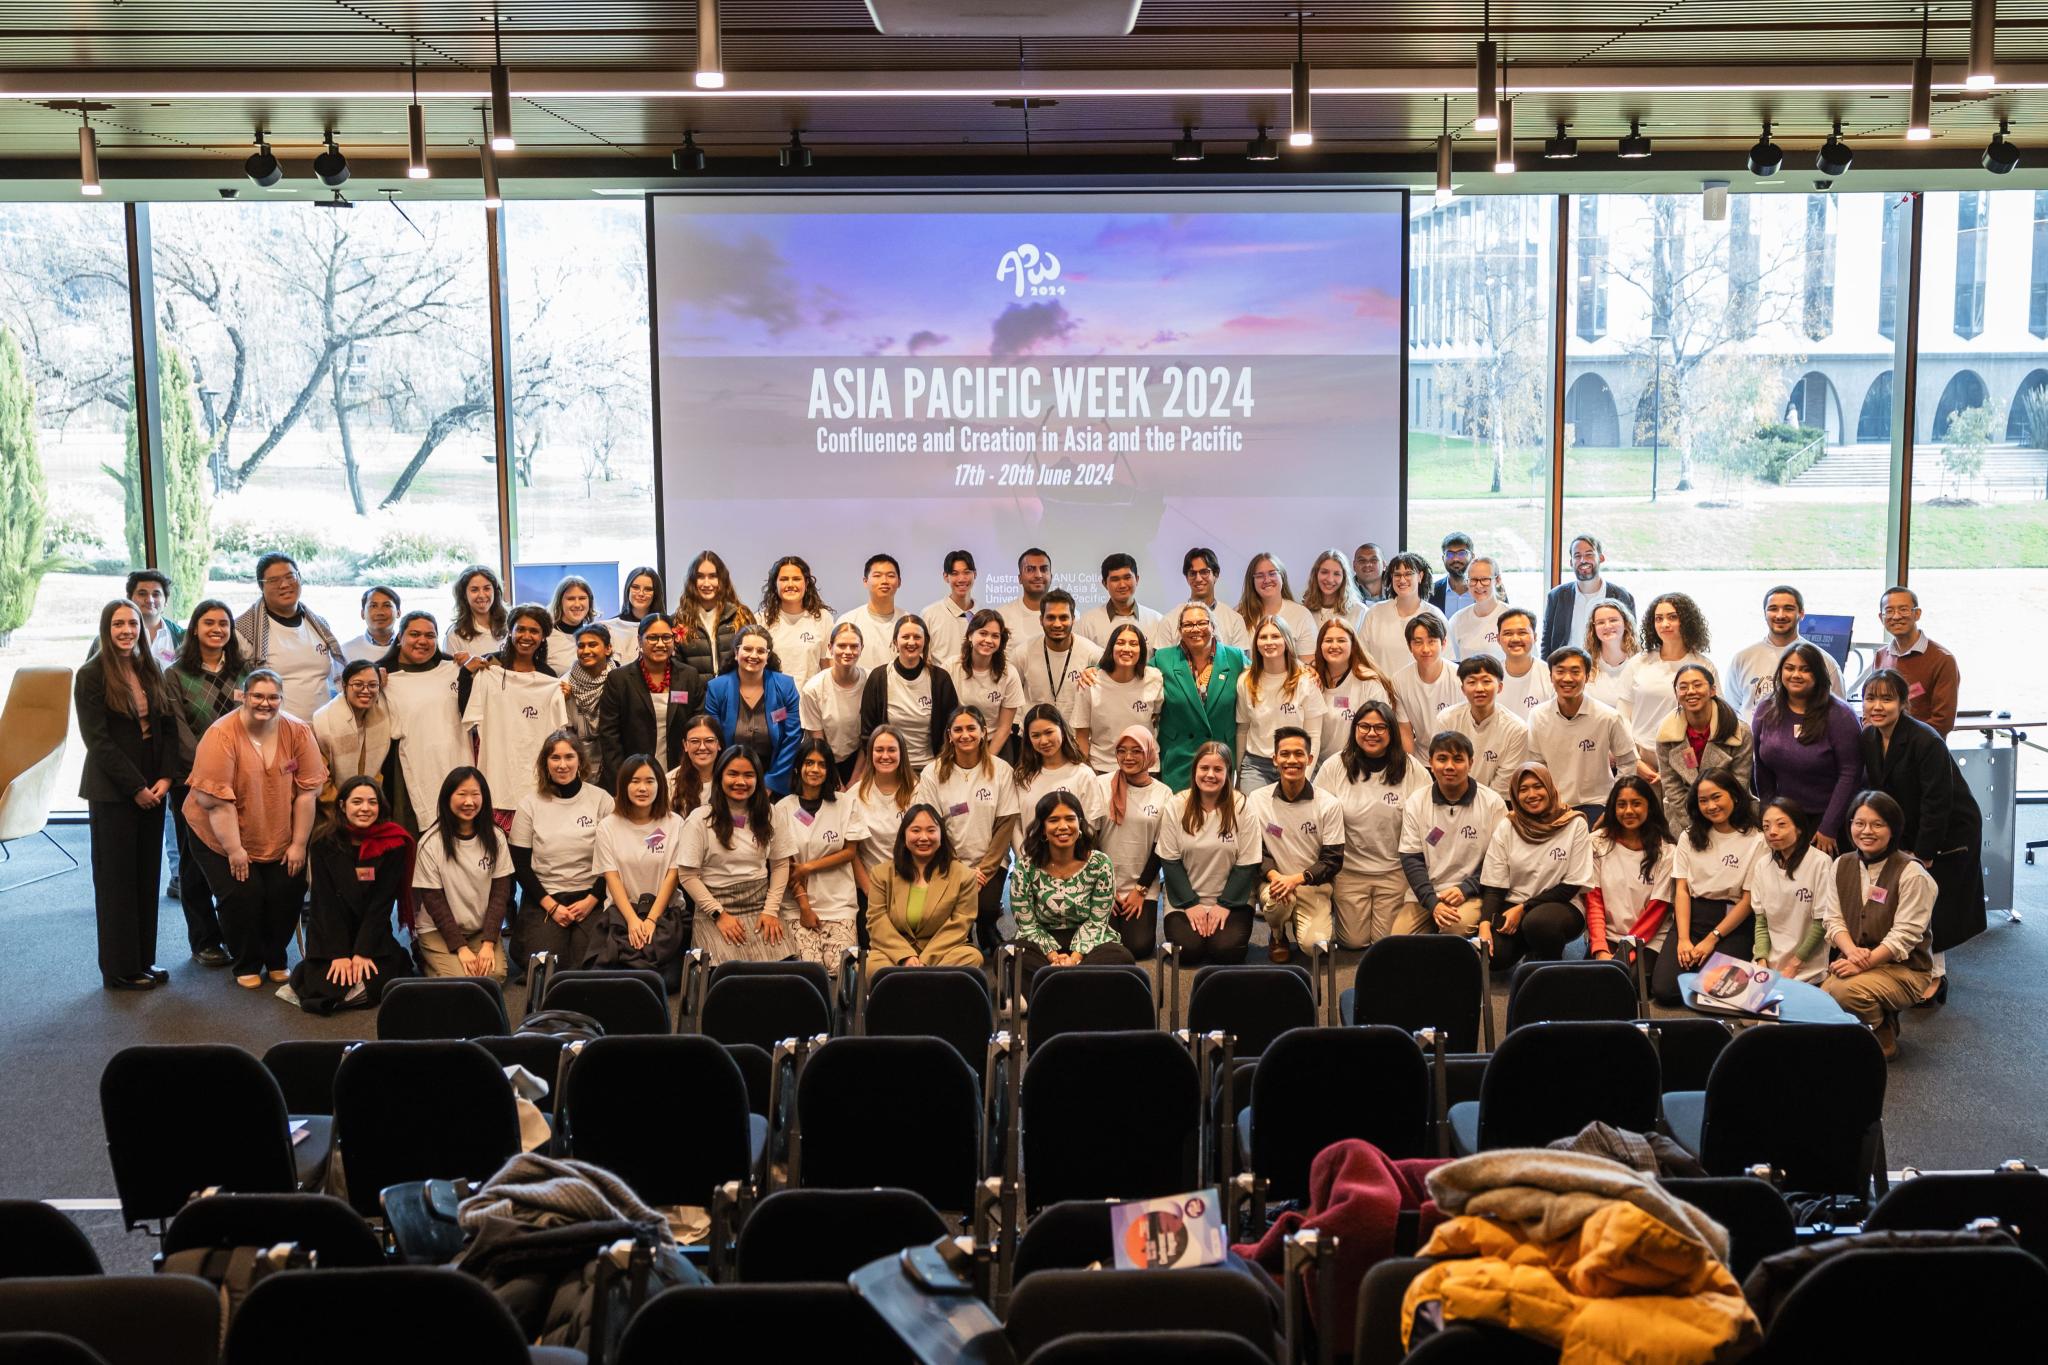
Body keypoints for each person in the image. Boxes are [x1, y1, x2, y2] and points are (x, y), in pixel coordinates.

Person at [186, 669, 327, 989]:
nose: (266, 703)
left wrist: (298, 845)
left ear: (281, 699)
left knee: (288, 888)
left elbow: (307, 794)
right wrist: (234, 851)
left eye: (273, 697)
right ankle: (247, 961)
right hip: (220, 833)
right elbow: (217, 804)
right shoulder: (221, 735)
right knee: (242, 894)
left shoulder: (298, 732)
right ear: (243, 697)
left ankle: (276, 956)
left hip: (277, 830)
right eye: (258, 696)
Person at [1859, 667, 1984, 1005]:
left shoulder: (1925, 739)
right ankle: (1914, 968)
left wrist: (1925, 852)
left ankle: (1935, 977)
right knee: (1908, 899)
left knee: (1932, 903)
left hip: (1948, 830)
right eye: (1871, 698)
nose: (1878, 706)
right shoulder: (1869, 737)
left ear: (1903, 702)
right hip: (1910, 825)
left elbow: (1937, 801)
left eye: (1887, 698)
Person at [77, 599, 185, 990]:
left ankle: (143, 960)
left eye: (132, 623)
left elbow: (169, 728)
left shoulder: (149, 668)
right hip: (113, 791)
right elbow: (98, 741)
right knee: (117, 882)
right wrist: (135, 786)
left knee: (145, 877)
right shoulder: (91, 674)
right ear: (107, 628)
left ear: (141, 627)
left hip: (154, 788)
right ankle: (120, 969)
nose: (126, 630)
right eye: (118, 624)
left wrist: (166, 779)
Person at [163, 598, 247, 967]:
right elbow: (178, 731)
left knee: (241, 855)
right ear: (195, 628)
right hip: (192, 781)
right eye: (209, 622)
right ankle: (205, 940)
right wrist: (209, 772)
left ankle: (239, 933)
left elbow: (258, 720)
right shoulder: (176, 674)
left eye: (224, 624)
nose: (217, 629)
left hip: (244, 780)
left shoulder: (246, 672)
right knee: (195, 861)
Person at [1822, 791, 1937, 1058]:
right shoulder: (1841, 864)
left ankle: (1882, 1031)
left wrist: (1862, 962)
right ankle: (1874, 1019)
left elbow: (1904, 936)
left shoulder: (1912, 873)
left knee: (1842, 991)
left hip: (1906, 969)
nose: (1866, 831)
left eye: (1877, 824)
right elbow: (1832, 919)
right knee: (1826, 992)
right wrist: (1851, 952)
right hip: (1859, 959)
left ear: (1893, 828)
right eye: (1859, 823)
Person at [292, 775, 415, 1013]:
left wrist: (362, 952)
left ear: (380, 807)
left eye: (372, 802)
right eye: (357, 802)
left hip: (372, 934)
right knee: (327, 989)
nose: (365, 808)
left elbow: (381, 905)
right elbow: (324, 904)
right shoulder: (322, 842)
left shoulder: (394, 844)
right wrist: (339, 954)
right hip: (330, 935)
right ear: (342, 805)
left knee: (373, 984)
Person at [1317, 700, 1429, 947]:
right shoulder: (1335, 766)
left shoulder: (1411, 769)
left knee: (1384, 942)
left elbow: (1428, 818)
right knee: (1353, 941)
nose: (1371, 733)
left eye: (1380, 728)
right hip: (1350, 871)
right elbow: (1319, 817)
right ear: (1355, 728)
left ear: (1391, 730)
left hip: (1393, 871)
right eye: (1364, 726)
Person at [913, 706, 1021, 956]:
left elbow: (1005, 825)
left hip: (990, 863)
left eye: (971, 728)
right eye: (958, 729)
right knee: (950, 907)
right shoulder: (933, 772)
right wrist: (959, 869)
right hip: (948, 860)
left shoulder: (1001, 769)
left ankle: (987, 925)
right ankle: (960, 935)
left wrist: (982, 870)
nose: (965, 735)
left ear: (984, 732)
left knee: (985, 907)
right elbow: (931, 826)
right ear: (949, 735)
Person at [1655, 766, 1763, 1006]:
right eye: (1703, 801)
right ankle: (1702, 972)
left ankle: (1710, 974)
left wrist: (1712, 939)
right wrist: (1683, 939)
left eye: (1716, 797)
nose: (1711, 806)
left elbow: (1747, 900)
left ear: (1734, 795)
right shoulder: (1689, 836)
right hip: (1692, 916)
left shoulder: (1756, 839)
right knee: (1665, 990)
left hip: (1732, 921)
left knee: (1722, 991)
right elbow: (1681, 890)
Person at [680, 745, 796, 965]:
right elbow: (687, 876)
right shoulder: (699, 819)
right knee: (727, 972)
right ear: (719, 776)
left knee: (783, 970)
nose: (740, 782)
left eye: (748, 775)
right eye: (732, 774)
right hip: (713, 910)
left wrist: (771, 911)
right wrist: (719, 915)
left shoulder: (770, 813)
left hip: (761, 905)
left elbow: (780, 865)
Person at [511, 729, 613, 973]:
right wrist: (551, 906)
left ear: (580, 760)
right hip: (546, 896)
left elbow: (613, 860)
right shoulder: (529, 805)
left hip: (590, 894)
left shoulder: (601, 800)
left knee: (591, 959)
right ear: (545, 764)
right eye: (555, 758)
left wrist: (592, 899)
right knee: (544, 963)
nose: (562, 764)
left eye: (569, 757)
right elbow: (521, 866)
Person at [1156, 741, 1264, 965]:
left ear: (1229, 773)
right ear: (1195, 770)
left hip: (1233, 900)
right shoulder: (1176, 805)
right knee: (1187, 951)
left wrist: (1224, 905)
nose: (1210, 775)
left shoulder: (1243, 806)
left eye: (1218, 769)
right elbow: (1170, 861)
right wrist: (1191, 904)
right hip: (1183, 899)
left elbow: (1247, 864)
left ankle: (1218, 933)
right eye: (1204, 768)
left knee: (1227, 951)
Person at [1011, 791, 1134, 985]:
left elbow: (1098, 921)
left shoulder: (1100, 863)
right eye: (1053, 820)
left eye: (1070, 819)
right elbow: (1027, 924)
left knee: (1121, 957)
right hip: (1041, 940)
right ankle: (1078, 986)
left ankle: (1050, 986)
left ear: (1081, 824)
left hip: (1088, 939)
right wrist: (1053, 957)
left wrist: (1075, 958)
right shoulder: (1025, 866)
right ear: (1042, 829)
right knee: (1009, 956)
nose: (1063, 827)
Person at [1477, 762, 1592, 968]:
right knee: (1495, 958)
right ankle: (1531, 945)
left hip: (1562, 906)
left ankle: (1549, 965)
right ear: (1515, 794)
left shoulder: (1575, 824)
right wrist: (1485, 925)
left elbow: (1571, 885)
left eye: (1538, 786)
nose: (1531, 794)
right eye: (1523, 789)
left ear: (1549, 787)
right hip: (1514, 904)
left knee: (1539, 924)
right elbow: (1494, 886)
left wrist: (1524, 908)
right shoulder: (1508, 826)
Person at [1751, 641, 1861, 852]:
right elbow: (1761, 766)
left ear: (1818, 674)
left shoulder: (1840, 715)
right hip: (1784, 816)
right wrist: (1769, 814)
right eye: (1790, 668)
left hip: (1828, 818)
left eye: (1805, 669)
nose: (1796, 675)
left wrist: (1829, 827)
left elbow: (1850, 774)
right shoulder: (1766, 708)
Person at [1397, 730, 1509, 937]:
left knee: (1453, 928)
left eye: (1458, 759)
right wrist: (1432, 903)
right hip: (1426, 894)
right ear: (1430, 762)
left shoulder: (1493, 803)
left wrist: (1466, 888)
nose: (1449, 766)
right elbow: (1411, 859)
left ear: (1471, 762)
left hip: (1471, 894)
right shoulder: (1416, 801)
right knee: (1400, 939)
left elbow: (1498, 860)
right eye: (1442, 759)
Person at [1247, 726, 1344, 962]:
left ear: (1310, 759)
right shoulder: (1257, 800)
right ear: (1275, 760)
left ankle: (1306, 919)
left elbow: (1333, 860)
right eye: (1285, 754)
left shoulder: (1328, 804)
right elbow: (1255, 851)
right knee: (1279, 901)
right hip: (1276, 885)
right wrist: (1276, 878)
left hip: (1312, 886)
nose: (1292, 760)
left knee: (1316, 948)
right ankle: (1277, 934)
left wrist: (1296, 879)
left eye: (1299, 754)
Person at [462, 604, 568, 813]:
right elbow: (465, 710)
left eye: (534, 631)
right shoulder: (490, 666)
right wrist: (466, 673)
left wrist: (560, 695)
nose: (526, 636)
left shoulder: (548, 678)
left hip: (532, 779)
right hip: (496, 774)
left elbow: (557, 734)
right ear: (510, 631)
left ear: (543, 637)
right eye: (520, 629)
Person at [775, 737, 866, 977]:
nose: (815, 769)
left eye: (822, 764)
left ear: (829, 770)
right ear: (798, 767)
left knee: (842, 969)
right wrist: (805, 907)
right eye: (809, 763)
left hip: (838, 903)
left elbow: (849, 852)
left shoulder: (846, 804)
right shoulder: (782, 808)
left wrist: (809, 867)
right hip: (796, 906)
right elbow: (787, 865)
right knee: (810, 970)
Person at [410, 766, 511, 980]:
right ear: (447, 798)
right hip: (438, 930)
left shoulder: (497, 837)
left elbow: (500, 894)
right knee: (460, 981)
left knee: (493, 976)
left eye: (475, 794)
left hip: (478, 928)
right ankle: (424, 955)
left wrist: (488, 942)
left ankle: (446, 962)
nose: (469, 802)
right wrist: (460, 948)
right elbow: (433, 901)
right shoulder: (431, 843)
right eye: (461, 794)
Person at [591, 756, 687, 981]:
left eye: (649, 781)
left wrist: (651, 919)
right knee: (613, 973)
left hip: (665, 913)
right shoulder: (608, 826)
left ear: (660, 785)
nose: (642, 788)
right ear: (624, 785)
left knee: (665, 977)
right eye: (635, 781)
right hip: (623, 912)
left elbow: (673, 876)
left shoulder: (675, 823)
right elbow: (611, 878)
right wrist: (633, 920)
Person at [865, 804, 984, 972]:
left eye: (931, 830)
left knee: (972, 957)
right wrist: (905, 956)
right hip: (895, 953)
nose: (923, 837)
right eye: (915, 830)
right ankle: (929, 987)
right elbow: (877, 920)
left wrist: (926, 961)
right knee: (873, 965)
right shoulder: (881, 874)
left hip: (943, 953)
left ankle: (907, 988)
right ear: (903, 836)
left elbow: (959, 925)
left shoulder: (963, 875)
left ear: (941, 835)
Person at [377, 612, 466, 832]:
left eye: (430, 635)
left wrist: (473, 665)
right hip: (413, 770)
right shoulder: (385, 677)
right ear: (400, 637)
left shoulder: (453, 669)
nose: (422, 641)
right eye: (414, 634)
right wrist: (372, 683)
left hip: (457, 762)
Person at [1527, 647, 1636, 822]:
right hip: (1553, 805)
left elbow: (1628, 762)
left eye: (1575, 671)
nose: (1567, 678)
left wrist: (1614, 804)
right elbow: (1537, 766)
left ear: (1587, 676)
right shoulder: (1537, 716)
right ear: (1550, 677)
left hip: (1598, 804)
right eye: (1560, 671)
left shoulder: (1608, 716)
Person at [233, 552, 344, 724]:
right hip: (274, 729)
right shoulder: (244, 631)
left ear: (299, 578)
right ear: (261, 586)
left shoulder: (320, 626)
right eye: (274, 580)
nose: (284, 585)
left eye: (290, 576)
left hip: (323, 728)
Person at [597, 613, 705, 788]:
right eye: (652, 638)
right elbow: (609, 735)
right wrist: (622, 780)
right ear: (640, 641)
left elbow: (697, 727)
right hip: (631, 775)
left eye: (666, 637)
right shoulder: (619, 679)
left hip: (679, 773)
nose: (660, 644)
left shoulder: (689, 676)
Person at [1156, 601, 1249, 789]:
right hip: (1179, 760)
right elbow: (1129, 672)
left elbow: (1266, 673)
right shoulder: (1163, 659)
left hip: (1219, 759)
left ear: (1213, 627)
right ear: (1180, 630)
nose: (1195, 629)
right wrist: (1096, 670)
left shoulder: (1235, 658)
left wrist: (1304, 671)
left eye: (1201, 623)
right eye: (1188, 625)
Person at [1583, 775, 1676, 965]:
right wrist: (1600, 949)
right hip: (1607, 936)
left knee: (1627, 982)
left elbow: (1656, 912)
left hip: (1648, 938)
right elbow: (1594, 902)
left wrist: (1624, 957)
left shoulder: (1667, 851)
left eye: (1636, 804)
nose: (1628, 811)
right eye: (1621, 804)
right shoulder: (1596, 842)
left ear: (1649, 806)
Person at [1654, 663, 1755, 835]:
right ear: (1676, 694)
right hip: (1684, 817)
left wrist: (1718, 824)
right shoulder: (1666, 733)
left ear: (1713, 690)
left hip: (1731, 816)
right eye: (1683, 687)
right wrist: (1693, 825)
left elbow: (1740, 783)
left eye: (1697, 685)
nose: (1691, 691)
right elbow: (1671, 785)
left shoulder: (1739, 732)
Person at [1094, 726, 1168, 959]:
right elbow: (1089, 841)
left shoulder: (1164, 793)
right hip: (1103, 882)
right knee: (1105, 944)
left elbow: (1162, 848)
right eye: (1122, 751)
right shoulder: (1100, 784)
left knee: (1139, 947)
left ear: (1149, 753)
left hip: (1142, 885)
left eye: (1136, 751)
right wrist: (1106, 887)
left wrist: (1140, 889)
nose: (1128, 757)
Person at [705, 623, 804, 796]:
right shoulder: (717, 688)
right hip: (729, 779)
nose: (754, 655)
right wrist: (730, 780)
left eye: (760, 651)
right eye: (748, 649)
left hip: (775, 778)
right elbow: (714, 740)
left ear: (768, 655)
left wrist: (771, 783)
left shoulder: (786, 686)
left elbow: (793, 737)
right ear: (736, 653)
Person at [1745, 797, 1834, 985]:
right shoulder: (1762, 865)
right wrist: (1761, 960)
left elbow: (1821, 923)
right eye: (1766, 827)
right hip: (1769, 964)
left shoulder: (1820, 863)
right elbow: (1761, 921)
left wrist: (1794, 964)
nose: (1772, 832)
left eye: (1781, 825)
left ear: (1799, 828)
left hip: (1806, 968)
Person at [1622, 592, 1714, 765]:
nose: (1665, 624)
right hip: (1642, 754)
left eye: (1672, 617)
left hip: (1686, 754)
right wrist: (1634, 758)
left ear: (1687, 622)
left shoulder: (1703, 665)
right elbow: (1622, 715)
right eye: (1658, 619)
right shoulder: (1638, 663)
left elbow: (1714, 714)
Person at [859, 615, 957, 775]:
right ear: (895, 642)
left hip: (932, 770)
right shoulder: (879, 677)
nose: (911, 642)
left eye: (917, 637)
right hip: (889, 768)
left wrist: (941, 767)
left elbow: (951, 728)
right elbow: (867, 733)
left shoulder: (940, 679)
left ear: (925, 641)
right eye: (905, 637)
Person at [1235, 619, 1324, 790]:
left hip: (1294, 762)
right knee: (1253, 813)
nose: (1269, 642)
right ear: (1256, 643)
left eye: (1275, 636)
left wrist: (1304, 778)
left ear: (1286, 641)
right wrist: (1239, 774)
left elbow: (1313, 735)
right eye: (1263, 637)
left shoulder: (1306, 680)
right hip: (1256, 765)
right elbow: (1243, 730)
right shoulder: (1246, 681)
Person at [1723, 585, 1843, 712]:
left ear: (1801, 614)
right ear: (1765, 613)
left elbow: (1838, 712)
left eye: (1788, 609)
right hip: (1750, 732)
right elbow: (1731, 710)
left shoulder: (1825, 661)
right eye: (1773, 609)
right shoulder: (1742, 659)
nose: (1780, 615)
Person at [1012, 702, 1105, 850]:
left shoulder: (1083, 774)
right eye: (1035, 735)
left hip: (1073, 863)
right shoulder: (1021, 776)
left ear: (1062, 730)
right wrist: (1024, 860)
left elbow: (1091, 828)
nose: (1043, 741)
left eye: (1049, 732)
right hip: (1031, 863)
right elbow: (1015, 824)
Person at [1871, 586, 1960, 736]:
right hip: (1885, 750)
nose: (1896, 616)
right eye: (1889, 611)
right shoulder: (1881, 656)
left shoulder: (1942, 660)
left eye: (1904, 609)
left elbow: (1943, 721)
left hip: (1925, 751)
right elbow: (1871, 706)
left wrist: (1898, 741)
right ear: (1881, 618)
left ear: (1917, 614)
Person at [1437, 656, 1530, 798]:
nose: (1479, 688)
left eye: (1486, 681)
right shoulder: (1447, 719)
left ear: (1499, 687)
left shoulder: (1516, 729)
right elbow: (1444, 768)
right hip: (1453, 797)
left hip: (1497, 803)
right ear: (1463, 688)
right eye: (1472, 682)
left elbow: (1504, 783)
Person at [1075, 623, 1162, 773]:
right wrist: (1084, 771)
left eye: (1133, 644)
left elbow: (1157, 716)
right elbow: (1081, 735)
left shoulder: (1154, 678)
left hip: (1146, 768)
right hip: (1102, 768)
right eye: (1120, 643)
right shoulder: (1090, 682)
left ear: (1141, 650)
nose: (1126, 649)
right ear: (1111, 648)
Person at [1308, 619, 1394, 766]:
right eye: (1328, 640)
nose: (1334, 646)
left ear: (1353, 646)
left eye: (1341, 640)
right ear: (1320, 645)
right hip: (1317, 765)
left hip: (1358, 764)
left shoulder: (1369, 683)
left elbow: (1382, 731)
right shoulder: (1311, 678)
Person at [849, 725, 917, 908]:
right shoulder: (854, 796)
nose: (885, 756)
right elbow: (852, 853)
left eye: (891, 750)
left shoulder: (919, 791)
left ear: (902, 753)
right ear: (870, 754)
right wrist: (868, 890)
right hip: (870, 887)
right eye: (879, 750)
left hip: (914, 883)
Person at [1540, 533, 1636, 659]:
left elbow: (1631, 638)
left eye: (1589, 555)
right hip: (1568, 670)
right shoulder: (1557, 596)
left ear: (1601, 558)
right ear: (1571, 562)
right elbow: (1546, 643)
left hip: (1608, 668)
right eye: (1577, 556)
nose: (1583, 560)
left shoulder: (1621, 596)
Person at [947, 609, 1024, 754]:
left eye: (995, 636)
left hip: (995, 743)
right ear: (970, 635)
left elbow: (1005, 727)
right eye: (983, 633)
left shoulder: (1009, 673)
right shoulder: (950, 667)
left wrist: (987, 759)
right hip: (958, 743)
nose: (988, 640)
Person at [801, 621, 869, 783]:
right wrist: (836, 782)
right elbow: (818, 741)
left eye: (854, 646)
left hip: (861, 761)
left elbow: (869, 737)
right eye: (842, 646)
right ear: (830, 648)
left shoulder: (871, 681)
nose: (848, 651)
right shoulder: (813, 688)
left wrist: (855, 781)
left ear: (862, 648)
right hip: (824, 761)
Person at [312, 660, 394, 796]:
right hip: (331, 804)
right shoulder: (322, 721)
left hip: (370, 801)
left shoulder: (381, 717)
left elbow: (378, 773)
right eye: (358, 684)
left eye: (373, 685)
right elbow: (320, 777)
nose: (366, 690)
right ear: (344, 686)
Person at [1017, 590, 1095, 733]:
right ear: (1041, 620)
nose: (1057, 624)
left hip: (1077, 741)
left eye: (1064, 617)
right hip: (1034, 741)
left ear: (1073, 619)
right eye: (1051, 617)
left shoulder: (1093, 654)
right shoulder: (1022, 653)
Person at [1360, 552, 1445, 673]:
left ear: (1420, 576)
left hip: (1420, 690)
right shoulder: (1374, 613)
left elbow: (1446, 661)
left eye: (1408, 574)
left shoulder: (1435, 615)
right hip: (1381, 689)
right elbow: (1361, 656)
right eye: (1397, 575)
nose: (1402, 580)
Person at [759, 554, 836, 686]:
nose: (790, 584)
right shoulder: (761, 619)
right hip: (775, 700)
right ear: (775, 584)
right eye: (783, 579)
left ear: (806, 583)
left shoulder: (823, 618)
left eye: (796, 579)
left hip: (811, 700)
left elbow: (827, 666)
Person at [676, 549, 755, 677]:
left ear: (722, 579)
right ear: (692, 581)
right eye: (700, 576)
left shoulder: (741, 616)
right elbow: (676, 673)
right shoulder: (679, 620)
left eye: (713, 576)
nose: (707, 583)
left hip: (733, 694)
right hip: (696, 696)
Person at [1391, 614, 1459, 754]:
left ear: (1444, 643)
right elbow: (1405, 730)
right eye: (1418, 642)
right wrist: (1411, 769)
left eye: (1432, 641)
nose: (1425, 649)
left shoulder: (1460, 678)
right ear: (1410, 646)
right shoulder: (1399, 680)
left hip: (1457, 756)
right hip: (1422, 757)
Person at [1168, 547, 1252, 652]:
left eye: (1204, 572)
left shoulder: (1234, 620)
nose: (1198, 578)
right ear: (1187, 578)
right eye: (1192, 573)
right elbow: (1162, 662)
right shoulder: (1170, 620)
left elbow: (1242, 663)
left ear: (1216, 575)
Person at [1236, 552, 1318, 658]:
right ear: (1252, 582)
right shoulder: (1239, 615)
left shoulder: (1301, 615)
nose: (1267, 580)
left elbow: (1309, 665)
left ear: (1282, 576)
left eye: (1272, 573)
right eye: (1260, 576)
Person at [560, 624, 615, 780]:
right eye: (581, 646)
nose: (585, 651)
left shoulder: (620, 680)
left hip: (611, 759)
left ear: (608, 648)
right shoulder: (564, 684)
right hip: (577, 762)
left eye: (592, 645)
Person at [1078, 552, 1165, 646]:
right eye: (1115, 579)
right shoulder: (1087, 623)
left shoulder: (1156, 620)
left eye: (1127, 578)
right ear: (1104, 584)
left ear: (1137, 579)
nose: (1122, 585)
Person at [918, 549, 979, 673]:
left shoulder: (984, 614)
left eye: (967, 572)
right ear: (946, 577)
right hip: (941, 688)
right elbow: (923, 658)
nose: (961, 579)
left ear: (975, 574)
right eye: (955, 574)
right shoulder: (930, 614)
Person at [444, 564, 510, 670]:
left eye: (487, 588)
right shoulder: (454, 634)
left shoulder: (511, 625)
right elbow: (450, 676)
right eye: (474, 590)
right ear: (464, 595)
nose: (482, 595)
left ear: (495, 591)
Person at [1493, 607, 1554, 720]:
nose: (1515, 639)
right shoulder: (1490, 677)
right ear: (1498, 639)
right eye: (1508, 633)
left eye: (1522, 632)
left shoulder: (1551, 676)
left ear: (1535, 637)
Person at [848, 553, 906, 672]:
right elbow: (834, 665)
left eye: (890, 575)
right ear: (865, 581)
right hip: (858, 689)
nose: (884, 581)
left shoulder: (908, 622)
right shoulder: (849, 621)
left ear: (899, 582)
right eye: (877, 575)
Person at [1583, 601, 1639, 714]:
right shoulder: (1586, 666)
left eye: (1613, 620)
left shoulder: (1642, 662)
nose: (1607, 626)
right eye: (1600, 622)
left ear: (1626, 623)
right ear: (1593, 629)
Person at [1447, 556, 1505, 662]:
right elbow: (1450, 662)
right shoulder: (1457, 620)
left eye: (1484, 580)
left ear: (1497, 580)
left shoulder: (1512, 617)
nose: (1478, 585)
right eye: (1473, 580)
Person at [1300, 548, 1368, 636]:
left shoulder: (1360, 612)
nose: (1330, 579)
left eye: (1336, 574)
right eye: (1324, 572)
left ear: (1344, 578)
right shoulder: (1303, 611)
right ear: (1315, 574)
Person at [605, 566, 664, 668]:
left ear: (656, 594)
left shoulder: (667, 627)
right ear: (628, 589)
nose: (641, 593)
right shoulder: (608, 628)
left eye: (648, 589)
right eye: (635, 587)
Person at [669, 713, 724, 822]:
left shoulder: (730, 779)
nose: (702, 747)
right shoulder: (669, 782)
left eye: (709, 740)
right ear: (685, 745)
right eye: (695, 741)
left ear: (719, 744)